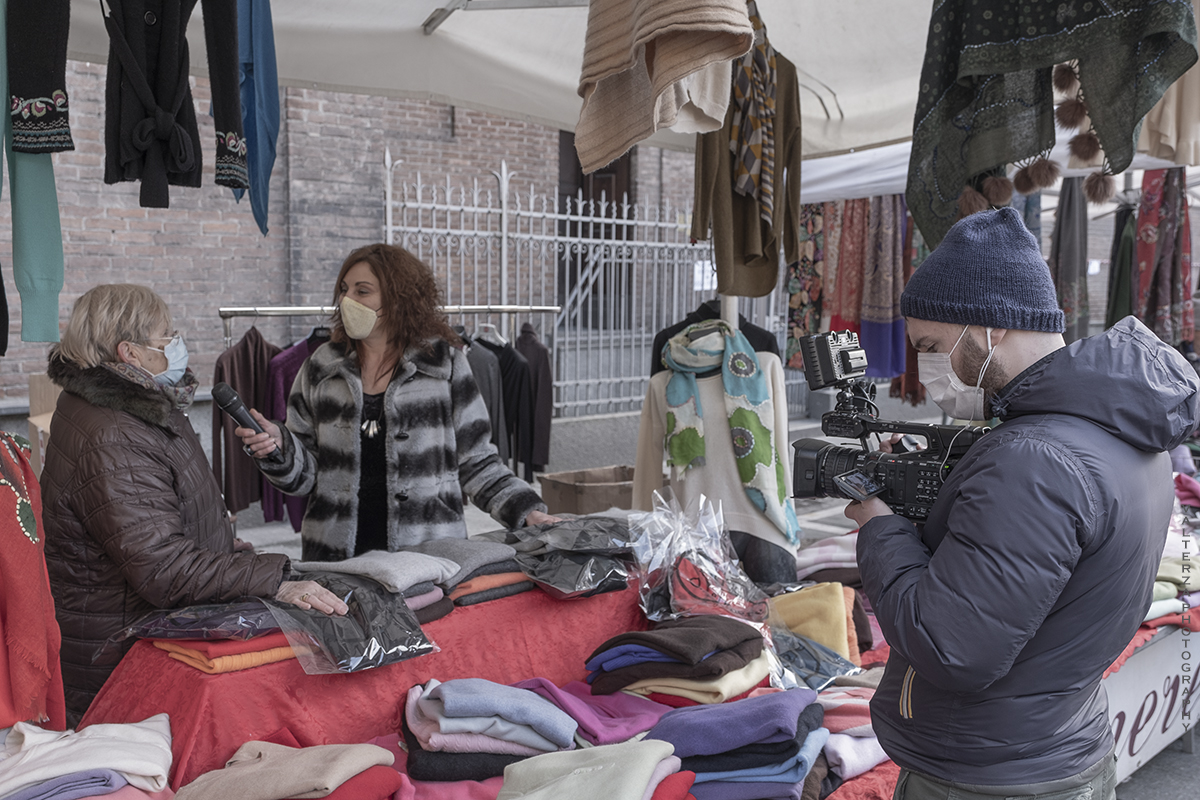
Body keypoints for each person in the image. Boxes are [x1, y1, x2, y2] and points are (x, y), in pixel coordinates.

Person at [843, 207, 1200, 799]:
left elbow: (949, 646)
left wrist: (879, 527)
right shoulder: (1125, 431)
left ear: (989, 328)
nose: (925, 368)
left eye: (930, 345)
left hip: (989, 777)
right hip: (1056, 742)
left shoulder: (1035, 459)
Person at [41, 285, 346, 726]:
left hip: (127, 635)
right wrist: (271, 579)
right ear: (130, 353)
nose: (177, 344)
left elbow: (155, 523)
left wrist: (224, 547)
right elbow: (163, 567)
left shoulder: (126, 407)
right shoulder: (115, 432)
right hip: (122, 653)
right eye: (166, 337)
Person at [238, 243, 557, 562]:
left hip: (428, 557)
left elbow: (477, 461)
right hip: (335, 560)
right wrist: (280, 448)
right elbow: (306, 476)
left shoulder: (444, 365)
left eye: (363, 291)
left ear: (397, 298)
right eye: (345, 290)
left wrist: (526, 510)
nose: (348, 300)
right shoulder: (321, 368)